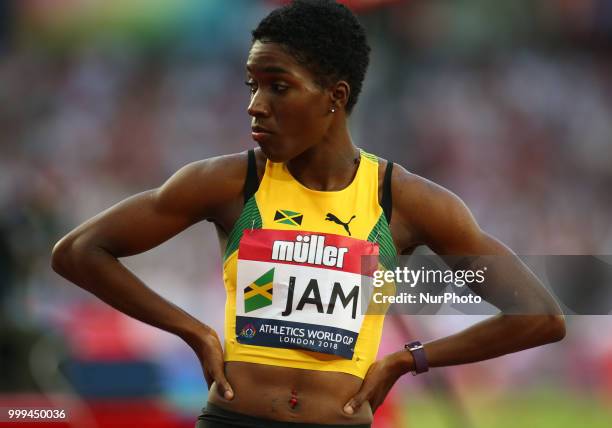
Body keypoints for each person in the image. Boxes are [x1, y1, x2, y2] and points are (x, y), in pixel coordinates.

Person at [51, 1, 566, 427]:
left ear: (334, 98)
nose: (255, 104)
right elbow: (78, 253)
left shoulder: (405, 201)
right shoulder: (230, 183)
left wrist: (409, 359)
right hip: (234, 419)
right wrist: (196, 333)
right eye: (251, 84)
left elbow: (540, 316)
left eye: (277, 86)